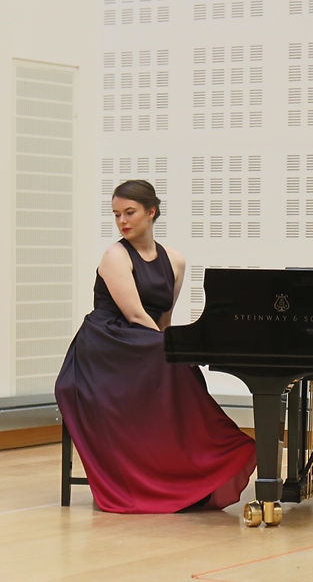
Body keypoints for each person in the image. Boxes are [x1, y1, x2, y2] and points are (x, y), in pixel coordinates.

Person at [54, 180, 256, 514]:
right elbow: (134, 314)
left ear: (152, 212)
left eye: (129, 212)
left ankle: (194, 464)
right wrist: (169, 349)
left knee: (182, 365)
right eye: (116, 214)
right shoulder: (115, 255)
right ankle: (184, 467)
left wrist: (177, 349)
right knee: (170, 360)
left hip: (142, 341)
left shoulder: (175, 260)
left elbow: (163, 321)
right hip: (106, 343)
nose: (122, 221)